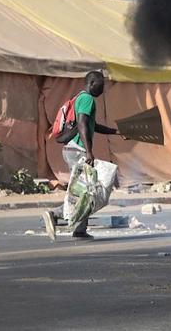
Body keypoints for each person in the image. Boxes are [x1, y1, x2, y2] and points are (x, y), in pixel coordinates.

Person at [40, 70, 124, 242]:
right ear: (92, 83)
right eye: (101, 86)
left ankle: (79, 229)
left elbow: (92, 125)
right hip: (77, 150)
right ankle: (55, 215)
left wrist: (116, 132)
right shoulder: (87, 99)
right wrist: (89, 151)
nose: (102, 90)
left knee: (85, 190)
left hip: (72, 149)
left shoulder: (80, 98)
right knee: (85, 191)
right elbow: (82, 123)